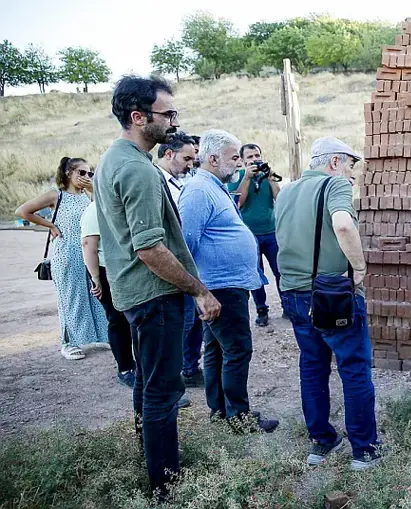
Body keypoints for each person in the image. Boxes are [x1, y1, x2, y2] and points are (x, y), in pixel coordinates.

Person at [94, 74, 221, 497]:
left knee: (148, 384)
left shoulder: (115, 158)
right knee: (163, 391)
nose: (174, 121)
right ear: (138, 117)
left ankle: (150, 463)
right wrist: (199, 290)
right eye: (168, 114)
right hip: (155, 294)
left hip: (137, 294)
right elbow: (149, 248)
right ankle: (165, 486)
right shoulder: (137, 169)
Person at [275, 137, 379, 471]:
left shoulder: (286, 191)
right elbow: (343, 224)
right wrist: (359, 267)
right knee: (354, 367)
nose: (353, 173)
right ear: (334, 162)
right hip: (332, 294)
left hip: (293, 292)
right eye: (351, 164)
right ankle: (364, 451)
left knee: (312, 365)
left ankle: (321, 441)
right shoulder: (335, 184)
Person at [178, 129, 278, 433]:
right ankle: (239, 418)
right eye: (234, 157)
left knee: (217, 350)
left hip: (225, 285)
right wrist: (198, 291)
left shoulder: (213, 186)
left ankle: (221, 412)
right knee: (237, 350)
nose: (238, 163)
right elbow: (185, 243)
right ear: (212, 158)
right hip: (219, 287)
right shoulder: (198, 190)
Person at [15, 157, 108, 360]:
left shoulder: (88, 195)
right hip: (66, 254)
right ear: (68, 173)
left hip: (88, 253)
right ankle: (68, 343)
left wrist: (93, 189)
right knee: (70, 297)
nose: (86, 177)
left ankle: (100, 335)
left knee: (95, 294)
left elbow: (102, 212)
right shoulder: (56, 195)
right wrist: (50, 225)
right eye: (81, 172)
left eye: (89, 173)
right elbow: (22, 211)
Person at [156, 132, 204, 388]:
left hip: (188, 263)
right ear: (168, 154)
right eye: (186, 159)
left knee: (194, 320)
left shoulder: (179, 182)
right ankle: (171, 381)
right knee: (180, 325)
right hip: (171, 265)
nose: (190, 164)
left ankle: (189, 368)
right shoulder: (155, 182)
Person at [81, 199, 136, 386]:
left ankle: (134, 363)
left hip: (124, 268)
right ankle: (125, 368)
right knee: (117, 319)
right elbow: (88, 245)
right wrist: (96, 278)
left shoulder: (116, 203)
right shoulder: (94, 210)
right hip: (105, 271)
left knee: (130, 319)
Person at [226, 143, 282, 326]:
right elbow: (238, 202)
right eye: (249, 157)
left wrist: (271, 178)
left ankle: (288, 306)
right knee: (256, 274)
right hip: (249, 235)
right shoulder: (238, 177)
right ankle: (261, 309)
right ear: (242, 161)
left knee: (280, 271)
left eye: (257, 155)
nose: (254, 159)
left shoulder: (267, 176)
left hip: (271, 232)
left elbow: (279, 199)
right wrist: (247, 178)